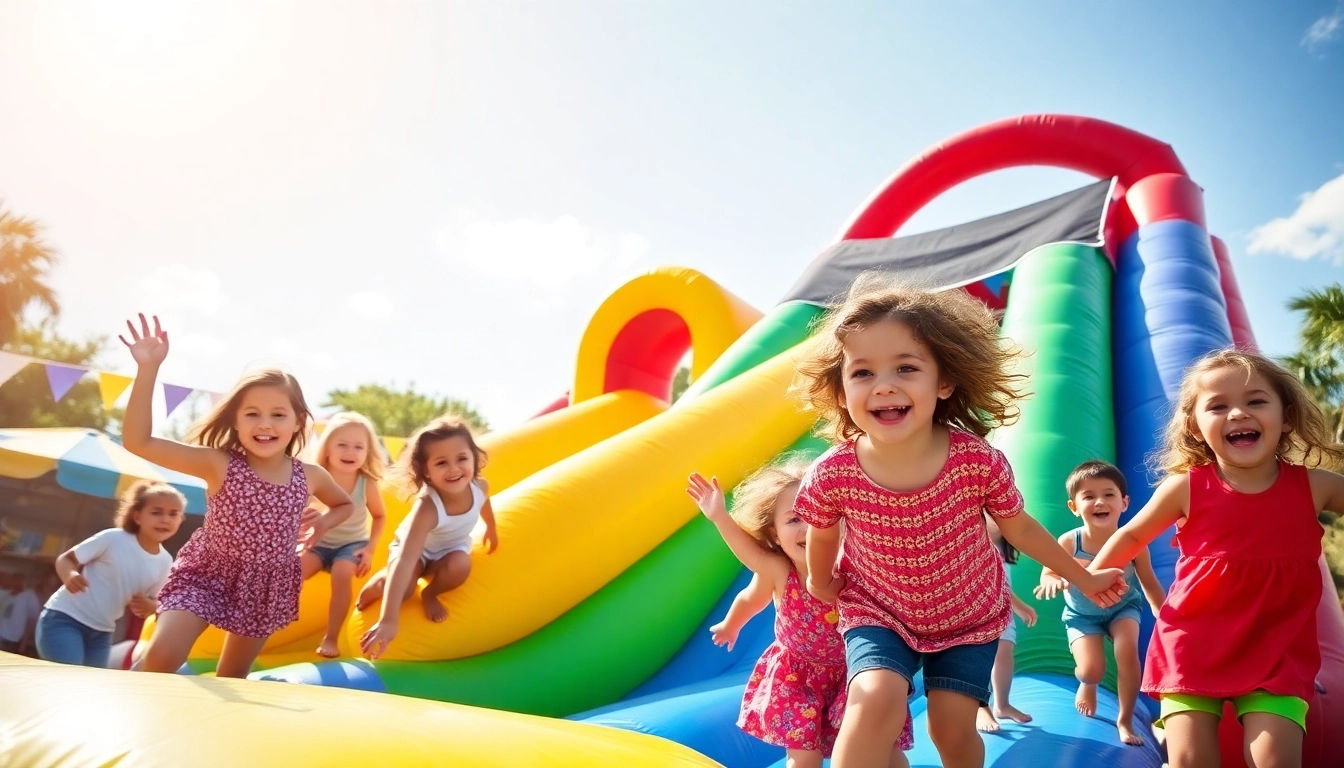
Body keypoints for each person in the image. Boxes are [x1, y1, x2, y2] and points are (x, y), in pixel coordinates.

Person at [792, 277, 1129, 768]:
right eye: (862, 373)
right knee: (872, 701)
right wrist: (820, 579)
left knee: (951, 731)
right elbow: (823, 533)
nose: (884, 385)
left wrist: (1084, 576)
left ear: (943, 382)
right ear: (841, 391)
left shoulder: (976, 461)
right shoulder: (833, 472)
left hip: (969, 617)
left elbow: (1020, 528)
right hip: (878, 610)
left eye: (906, 368)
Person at [1089, 348, 1344, 768]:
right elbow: (1133, 532)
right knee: (1191, 760)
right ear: (1194, 426)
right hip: (1193, 643)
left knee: (1276, 758)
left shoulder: (1315, 487)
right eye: (1219, 406)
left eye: (1256, 401)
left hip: (1278, 650)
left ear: (1287, 416)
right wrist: (1098, 571)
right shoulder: (1187, 487)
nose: (1238, 414)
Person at [118, 314, 354, 678]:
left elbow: (344, 504)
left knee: (232, 678)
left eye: (278, 414)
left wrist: (322, 522)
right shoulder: (220, 464)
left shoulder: (310, 476)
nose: (265, 423)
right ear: (236, 422)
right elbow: (138, 442)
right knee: (164, 654)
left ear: (297, 421)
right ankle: (131, 683)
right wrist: (148, 369)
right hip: (207, 574)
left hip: (264, 585)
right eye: (252, 414)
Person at [688, 461, 912, 768]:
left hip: (853, 674)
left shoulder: (853, 565)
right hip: (798, 677)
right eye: (794, 519)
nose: (808, 527)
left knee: (883, 748)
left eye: (817, 515)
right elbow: (751, 597)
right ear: (775, 535)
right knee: (803, 758)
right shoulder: (780, 571)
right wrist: (731, 625)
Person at [1034, 460, 1165, 745]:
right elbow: (1048, 571)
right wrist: (1051, 580)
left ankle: (1125, 720)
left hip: (1123, 608)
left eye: (1108, 494)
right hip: (1082, 616)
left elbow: (1149, 583)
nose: (1099, 502)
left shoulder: (1134, 544)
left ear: (1124, 502)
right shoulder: (1071, 541)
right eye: (1088, 496)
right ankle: (1088, 684)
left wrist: (1164, 615)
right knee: (1092, 669)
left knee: (1127, 650)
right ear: (1074, 507)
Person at [358, 417, 497, 659]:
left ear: (474, 459)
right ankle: (379, 582)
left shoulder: (480, 487)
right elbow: (406, 559)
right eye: (441, 463)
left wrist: (491, 527)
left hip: (449, 548)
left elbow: (484, 503)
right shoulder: (428, 508)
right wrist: (388, 620)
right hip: (414, 551)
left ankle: (430, 594)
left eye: (462, 459)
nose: (454, 469)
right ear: (427, 472)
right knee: (406, 588)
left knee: (461, 567)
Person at [36, 481, 184, 667]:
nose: (165, 519)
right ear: (137, 517)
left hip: (102, 634)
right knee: (68, 681)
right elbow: (66, 559)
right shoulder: (113, 538)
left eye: (173, 514)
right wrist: (70, 575)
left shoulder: (166, 561)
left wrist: (148, 605)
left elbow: (157, 604)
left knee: (90, 689)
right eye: (156, 512)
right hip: (64, 620)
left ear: (181, 520)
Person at [301, 411, 388, 658]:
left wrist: (370, 549)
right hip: (319, 543)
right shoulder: (316, 477)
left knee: (341, 574)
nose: (350, 452)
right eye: (342, 445)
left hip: (351, 544)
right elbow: (299, 510)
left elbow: (380, 516)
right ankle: (267, 622)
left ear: (367, 453)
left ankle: (331, 638)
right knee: (292, 573)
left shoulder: (365, 483)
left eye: (358, 447)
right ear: (327, 448)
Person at [975, 513, 1038, 734]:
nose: (996, 522)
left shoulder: (1003, 547)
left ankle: (1002, 704)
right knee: (980, 658)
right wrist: (1019, 606)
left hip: (1001, 611)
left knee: (1004, 653)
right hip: (977, 613)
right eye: (989, 517)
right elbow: (993, 580)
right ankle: (982, 706)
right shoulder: (976, 545)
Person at [0, 573, 42, 655]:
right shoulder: (5, 594)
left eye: (20, 580)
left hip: (13, 640)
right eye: (15, 580)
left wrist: (23, 643)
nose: (17, 582)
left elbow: (32, 620)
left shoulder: (29, 596)